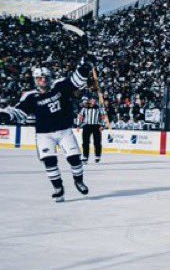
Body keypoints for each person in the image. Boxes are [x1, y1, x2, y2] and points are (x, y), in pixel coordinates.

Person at [1, 63, 92, 201]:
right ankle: (58, 188)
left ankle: (78, 181)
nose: (43, 80)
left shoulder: (59, 86)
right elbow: (19, 112)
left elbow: (75, 81)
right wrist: (7, 115)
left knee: (74, 158)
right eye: (39, 78)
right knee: (49, 161)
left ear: (50, 78)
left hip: (64, 130)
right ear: (35, 80)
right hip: (44, 134)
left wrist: (85, 68)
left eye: (45, 77)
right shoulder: (30, 96)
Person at [78, 98, 105, 163]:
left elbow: (103, 116)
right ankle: (85, 156)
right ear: (89, 102)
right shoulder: (84, 108)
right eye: (92, 101)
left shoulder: (99, 108)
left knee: (97, 142)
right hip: (87, 126)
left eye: (94, 101)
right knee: (85, 142)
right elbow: (80, 116)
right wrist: (78, 124)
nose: (93, 102)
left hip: (96, 126)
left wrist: (102, 125)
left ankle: (97, 156)